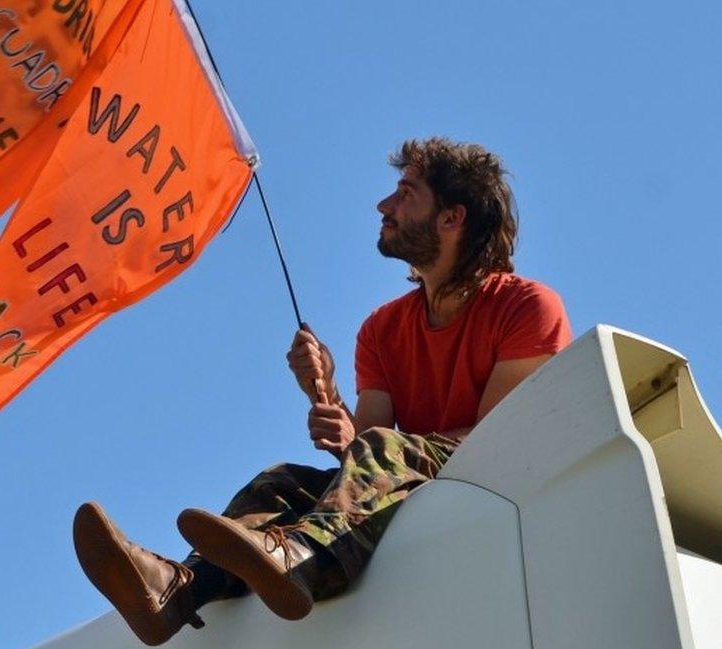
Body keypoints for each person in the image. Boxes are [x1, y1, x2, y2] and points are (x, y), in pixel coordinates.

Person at [72, 137, 573, 645]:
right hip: (403, 481)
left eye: (406, 193)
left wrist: (368, 443)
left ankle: (300, 560)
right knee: (280, 481)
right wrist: (327, 398)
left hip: (485, 483)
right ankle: (176, 589)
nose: (384, 205)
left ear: (451, 218)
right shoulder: (381, 330)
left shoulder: (527, 307)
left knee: (382, 451)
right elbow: (365, 449)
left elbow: (496, 440)